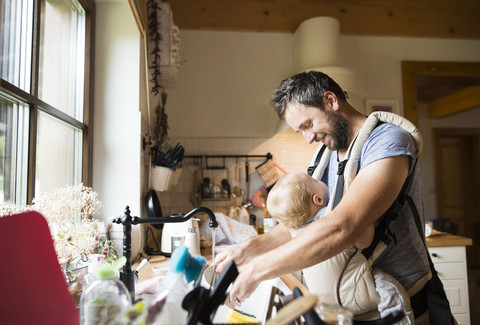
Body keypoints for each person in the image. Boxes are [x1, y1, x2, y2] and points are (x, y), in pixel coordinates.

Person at [214, 71, 430, 322]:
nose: (308, 138)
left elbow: (344, 226)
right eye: (300, 131)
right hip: (349, 308)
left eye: (307, 125)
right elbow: (300, 224)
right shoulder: (326, 155)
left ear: (331, 100)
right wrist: (245, 249)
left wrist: (255, 271)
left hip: (397, 305)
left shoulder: (387, 143)